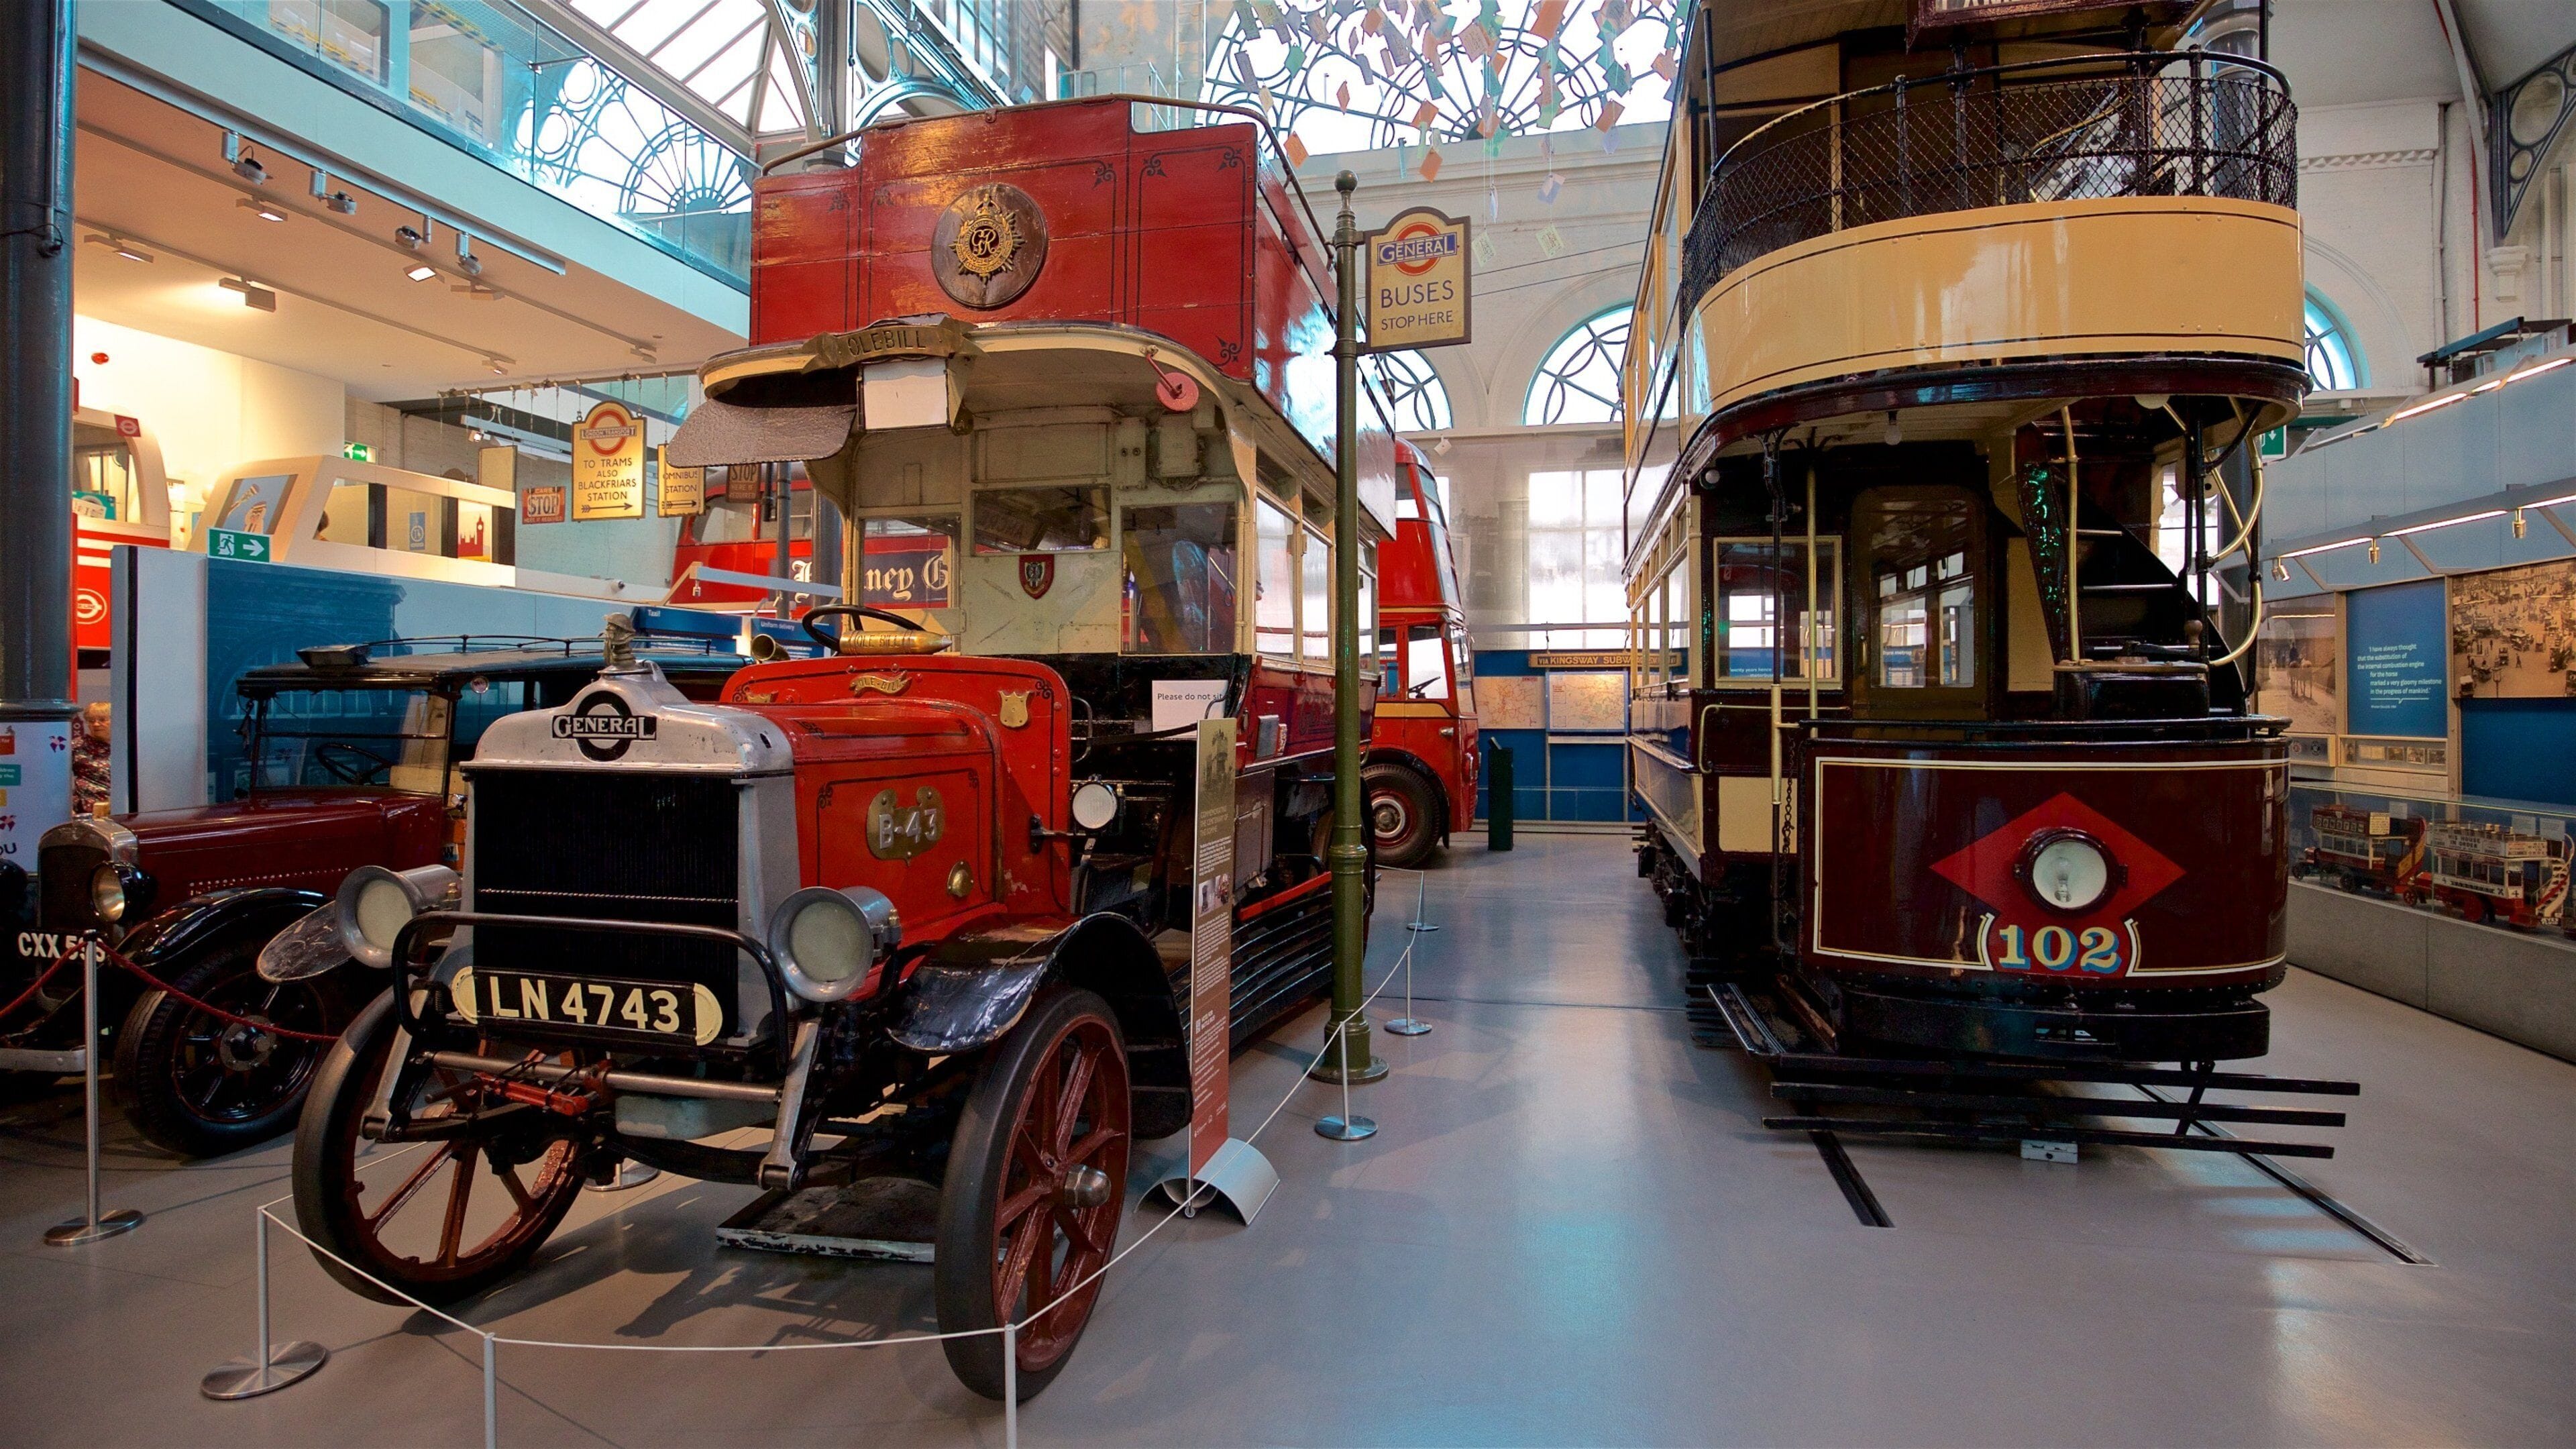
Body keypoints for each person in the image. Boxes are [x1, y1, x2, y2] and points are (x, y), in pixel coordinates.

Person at [72, 702, 111, 817]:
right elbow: (57, 782)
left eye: (102, 720)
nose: (96, 724)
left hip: (122, 810)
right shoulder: (77, 746)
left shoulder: (127, 745)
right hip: (88, 812)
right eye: (91, 721)